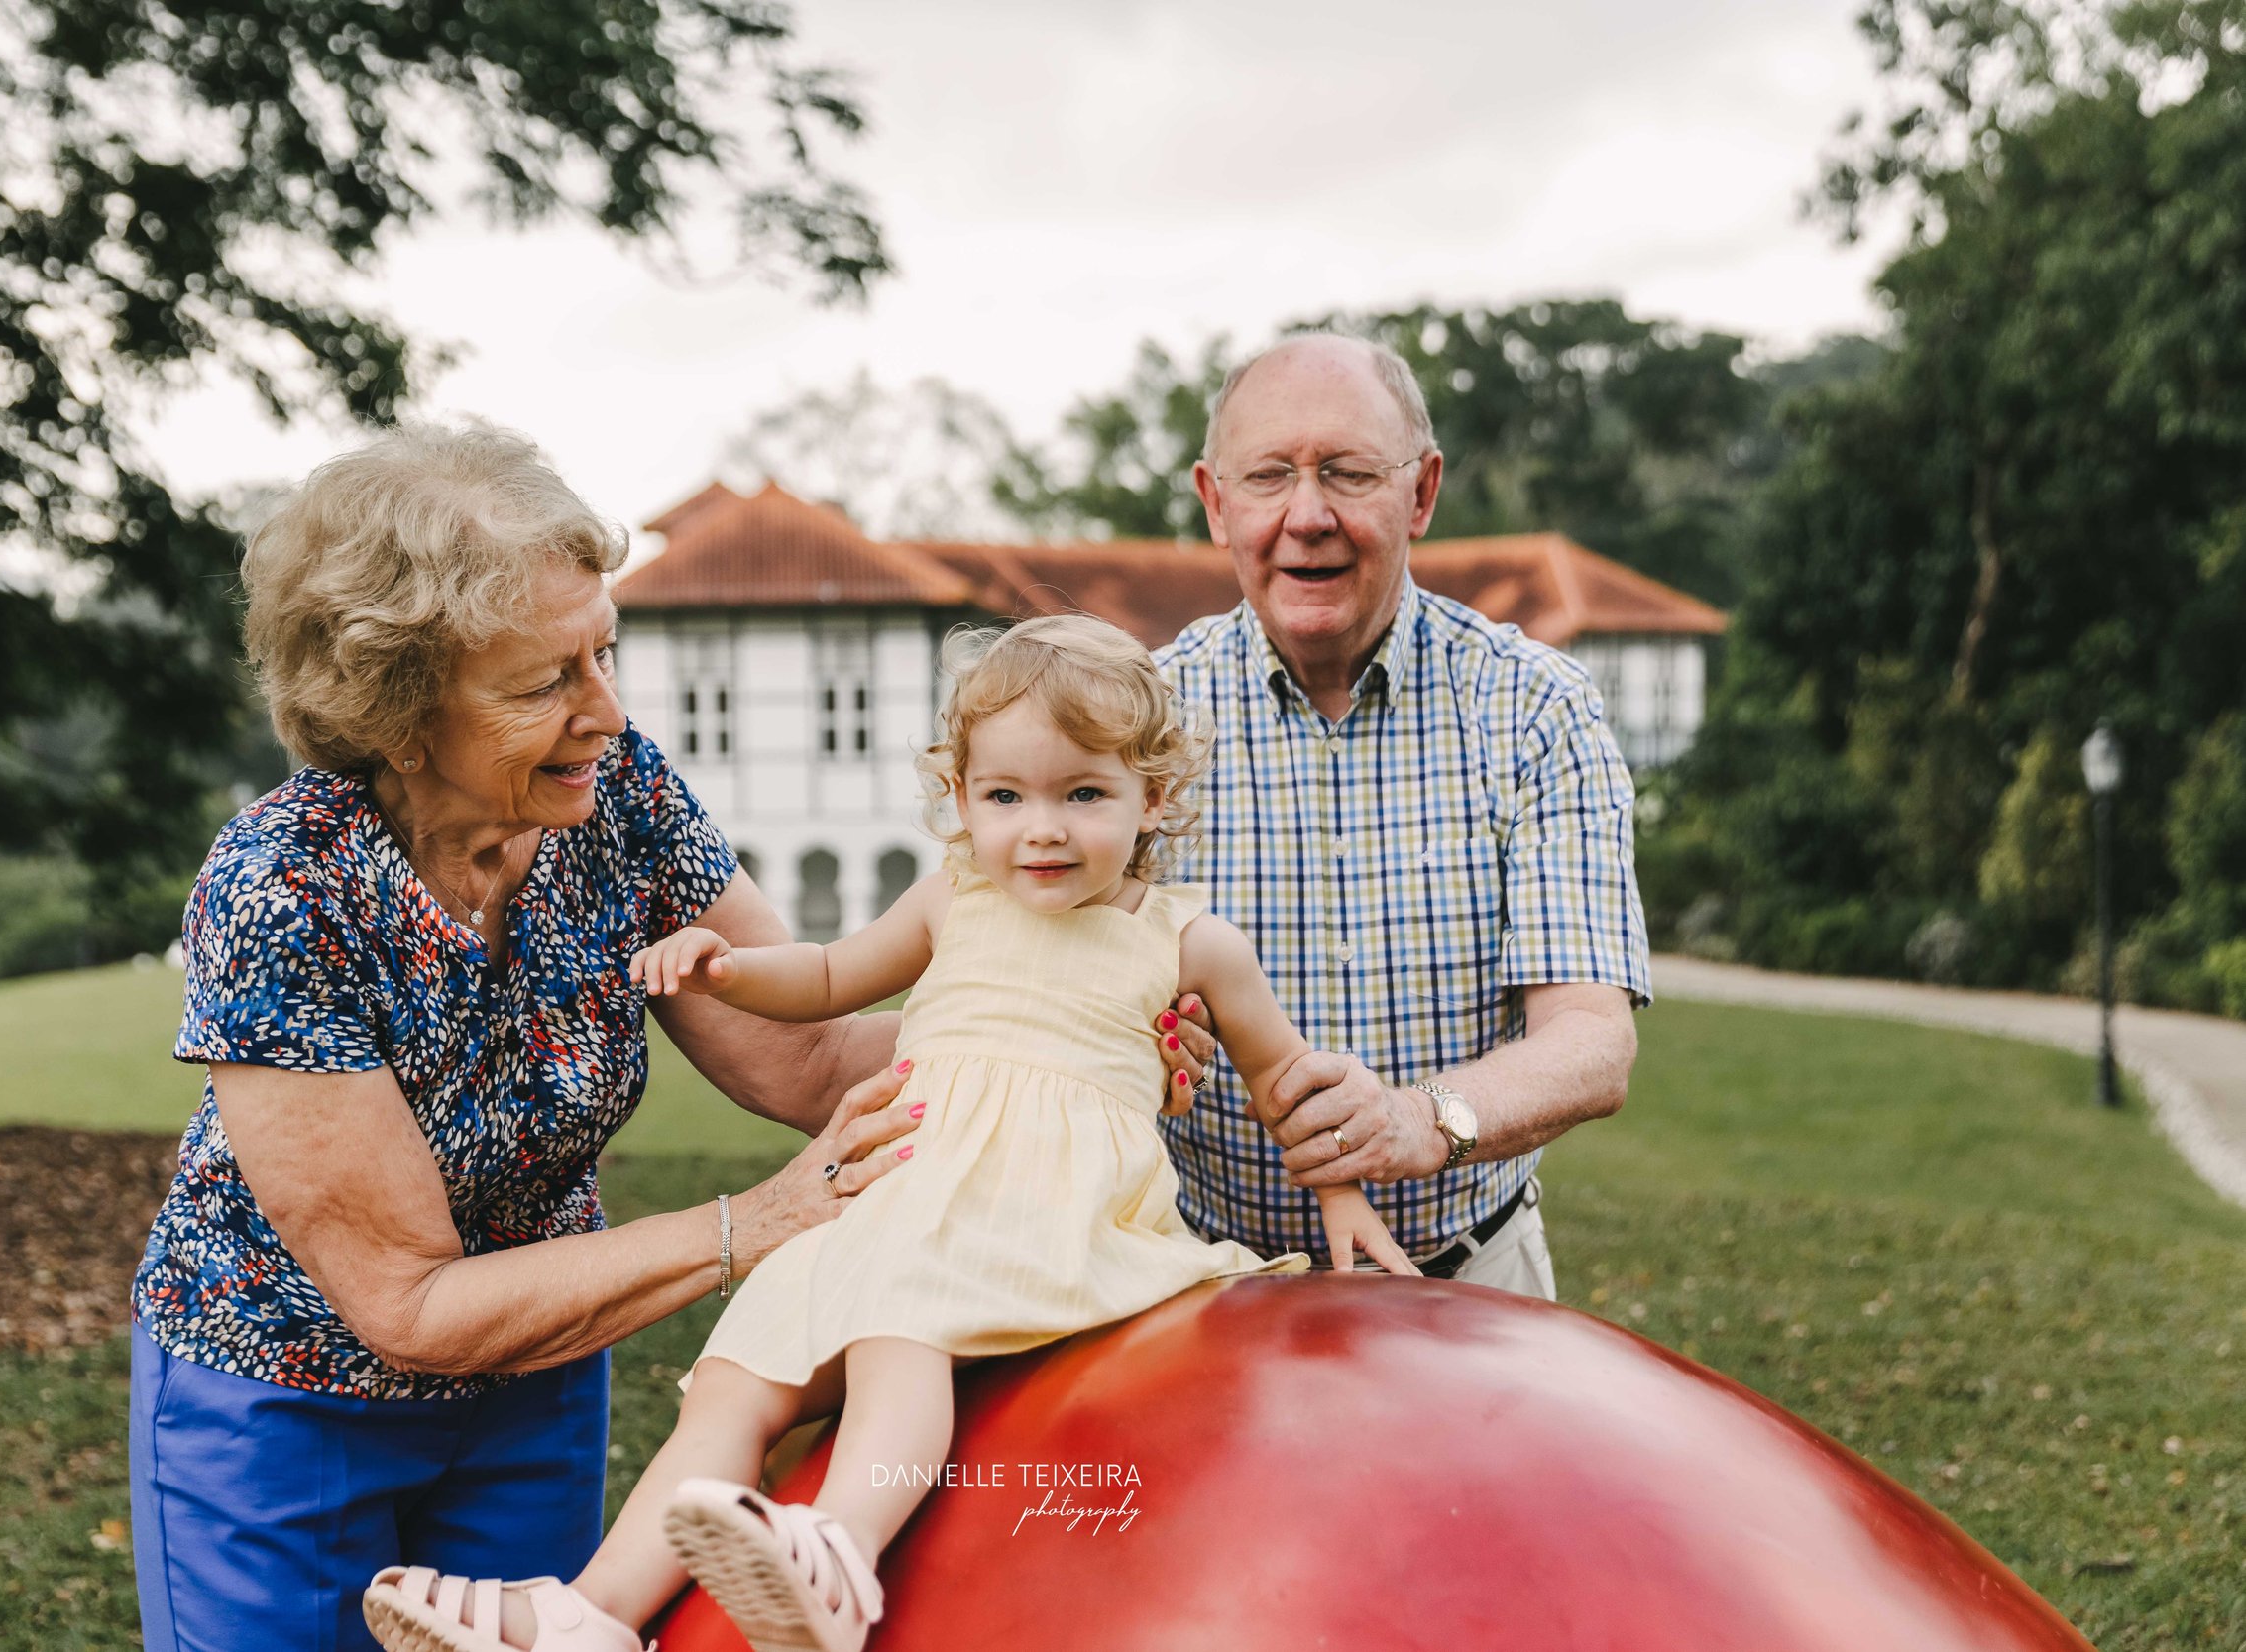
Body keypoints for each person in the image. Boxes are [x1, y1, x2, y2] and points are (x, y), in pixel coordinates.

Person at [362, 613, 1418, 1652]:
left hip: (1037, 1208)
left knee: (897, 1333)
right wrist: (727, 967)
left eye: (1082, 793)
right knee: (737, 1382)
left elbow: (1285, 1075)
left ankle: (839, 1553)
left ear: (1152, 797)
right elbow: (824, 973)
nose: (1040, 827)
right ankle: (589, 1612)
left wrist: (1338, 1186)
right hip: (894, 1186)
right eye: (1004, 795)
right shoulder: (953, 897)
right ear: (960, 797)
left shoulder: (1189, 938)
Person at [127, 424, 943, 1652]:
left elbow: (810, 1057)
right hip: (284, 1402)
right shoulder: (281, 884)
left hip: (538, 1378)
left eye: (602, 653)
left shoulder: (615, 794)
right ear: (398, 708)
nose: (604, 711)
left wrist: (1064, 1030)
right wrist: (750, 1224)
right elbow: (407, 1300)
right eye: (544, 680)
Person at [1159, 330, 1650, 1298]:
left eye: (1346, 472)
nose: (1307, 516)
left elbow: (1593, 1039)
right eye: (1268, 476)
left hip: (1472, 1274)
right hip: (1195, 1280)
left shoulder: (1533, 706)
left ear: (1419, 492)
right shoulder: (1137, 720)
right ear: (1216, 503)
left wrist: (1418, 1119)